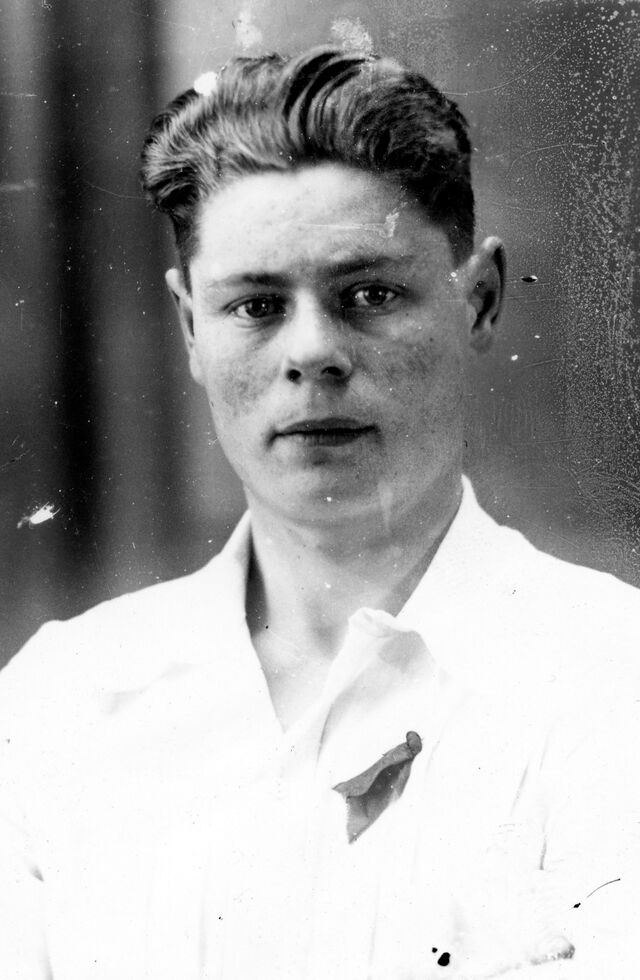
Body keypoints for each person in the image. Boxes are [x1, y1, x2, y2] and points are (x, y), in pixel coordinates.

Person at [1, 47, 639, 980]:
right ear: (191, 329)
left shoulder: (612, 684)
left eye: (370, 295)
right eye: (256, 305)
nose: (312, 352)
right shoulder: (61, 704)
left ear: (478, 301)